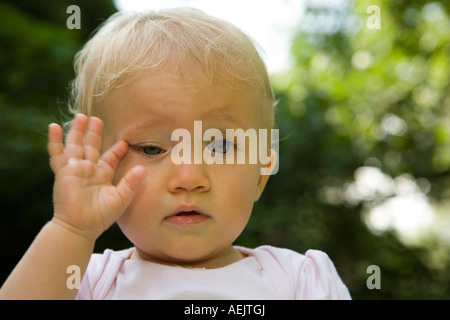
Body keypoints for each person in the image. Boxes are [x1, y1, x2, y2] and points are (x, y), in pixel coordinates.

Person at [0, 7, 351, 300]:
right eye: (151, 148)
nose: (189, 178)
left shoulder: (300, 282)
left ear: (261, 173)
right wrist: (72, 229)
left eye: (221, 146)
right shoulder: (86, 281)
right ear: (104, 170)